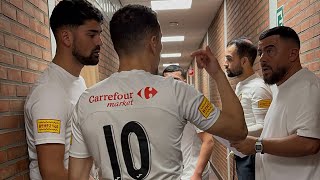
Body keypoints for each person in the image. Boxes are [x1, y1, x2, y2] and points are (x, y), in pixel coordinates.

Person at [68, 4, 247, 180]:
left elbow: (76, 176)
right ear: (153, 43)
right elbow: (238, 130)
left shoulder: (86, 100)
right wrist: (217, 74)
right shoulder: (179, 92)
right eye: (160, 40)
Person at [24, 0, 103, 179]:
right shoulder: (49, 94)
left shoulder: (77, 82)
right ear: (66, 37)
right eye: (92, 34)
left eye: (99, 34)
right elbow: (53, 173)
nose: (100, 41)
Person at [231, 26, 320, 180]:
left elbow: (309, 143)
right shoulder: (281, 87)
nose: (263, 59)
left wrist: (257, 145)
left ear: (293, 54)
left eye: (270, 50)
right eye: (261, 53)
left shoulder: (306, 86)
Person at [224, 38, 272, 180]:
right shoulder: (241, 85)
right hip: (242, 151)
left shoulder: (258, 88)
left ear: (244, 61)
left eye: (229, 59)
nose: (225, 64)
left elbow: (265, 127)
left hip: (253, 155)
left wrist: (232, 134)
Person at [163, 65, 214, 180]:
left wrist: (197, 173)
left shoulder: (194, 104)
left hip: (192, 172)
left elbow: (208, 141)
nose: (172, 84)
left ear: (185, 82)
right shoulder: (167, 106)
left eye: (176, 80)